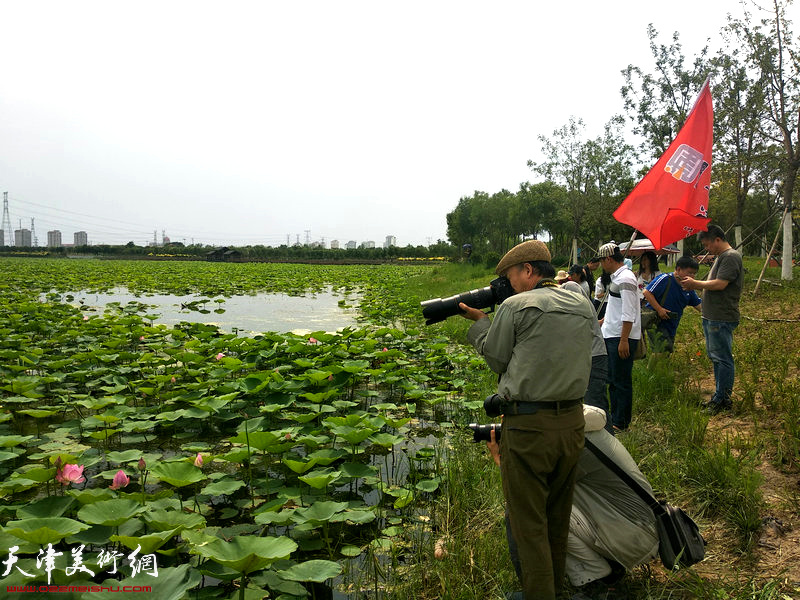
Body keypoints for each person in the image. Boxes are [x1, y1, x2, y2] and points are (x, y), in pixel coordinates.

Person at [459, 239, 594, 600]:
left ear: (528, 271)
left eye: (509, 276)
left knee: (528, 525)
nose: (507, 285)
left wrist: (482, 322)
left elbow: (496, 358)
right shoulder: (581, 301)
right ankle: (555, 589)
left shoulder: (517, 306)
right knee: (556, 519)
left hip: (530, 428)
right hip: (572, 424)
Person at [487, 406, 659, 596]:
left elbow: (524, 491)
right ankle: (605, 567)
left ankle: (591, 581)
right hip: (634, 527)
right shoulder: (574, 423)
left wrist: (502, 460)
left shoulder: (572, 442)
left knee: (524, 510)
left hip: (633, 537)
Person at [680, 225, 743, 414]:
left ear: (717, 239)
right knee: (716, 357)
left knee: (722, 358)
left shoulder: (730, 257)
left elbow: (720, 284)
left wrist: (694, 284)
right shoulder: (721, 257)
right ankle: (719, 396)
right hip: (712, 316)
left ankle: (723, 399)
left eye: (707, 244)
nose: (707, 248)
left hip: (721, 317)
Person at [597, 243, 641, 432]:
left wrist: (624, 340)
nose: (601, 265)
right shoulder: (617, 277)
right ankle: (615, 417)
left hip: (620, 337)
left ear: (608, 259)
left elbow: (628, 313)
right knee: (612, 380)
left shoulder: (626, 279)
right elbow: (617, 308)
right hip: (612, 333)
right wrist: (602, 322)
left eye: (601, 260)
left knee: (621, 381)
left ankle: (621, 422)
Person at [562, 280, 611, 433]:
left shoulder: (570, 288)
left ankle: (608, 448)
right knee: (589, 405)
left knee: (596, 406)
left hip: (593, 355)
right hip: (582, 357)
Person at [642, 256, 702, 354]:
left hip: (672, 323)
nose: (692, 276)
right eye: (689, 272)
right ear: (678, 269)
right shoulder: (665, 279)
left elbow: (697, 303)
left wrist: (709, 315)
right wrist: (659, 309)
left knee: (666, 350)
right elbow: (646, 292)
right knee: (663, 349)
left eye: (694, 274)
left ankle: (654, 368)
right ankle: (654, 368)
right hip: (657, 320)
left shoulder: (688, 287)